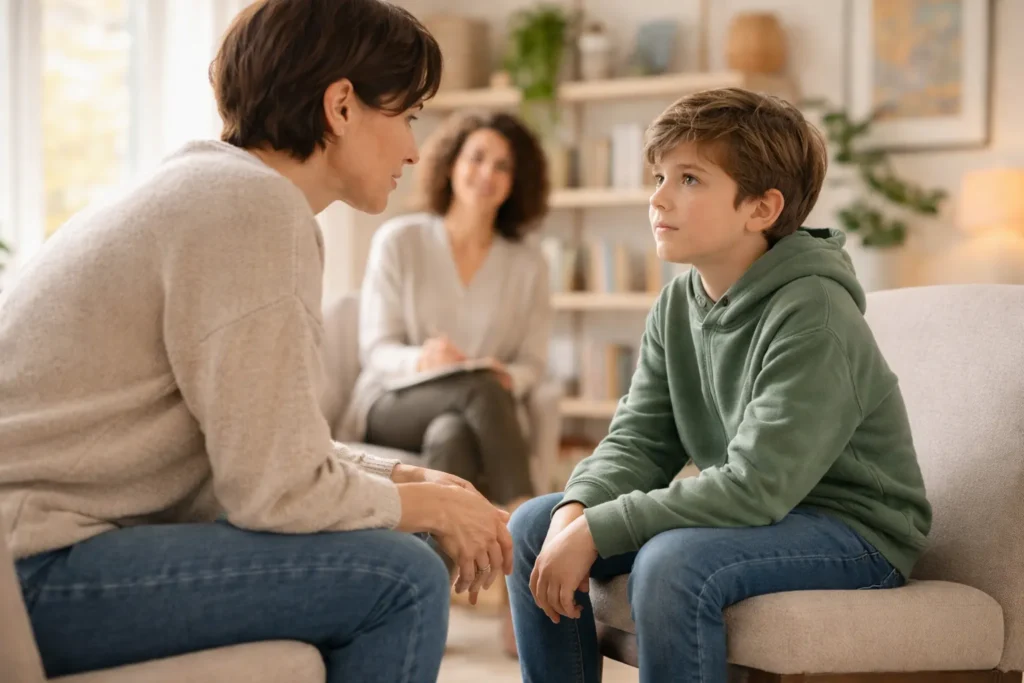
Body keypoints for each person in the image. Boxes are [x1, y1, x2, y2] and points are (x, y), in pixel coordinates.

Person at [0, 2, 513, 681]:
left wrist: (405, 478)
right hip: (31, 565)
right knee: (402, 576)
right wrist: (434, 505)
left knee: (402, 541)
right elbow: (275, 492)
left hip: (38, 552)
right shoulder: (251, 209)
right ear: (341, 106)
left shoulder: (212, 190)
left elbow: (258, 445)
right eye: (409, 115)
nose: (417, 149)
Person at [506, 88, 933, 683]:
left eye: (689, 180)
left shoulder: (816, 313)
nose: (657, 197)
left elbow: (757, 486)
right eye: (659, 175)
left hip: (852, 531)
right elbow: (639, 443)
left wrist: (601, 528)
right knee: (532, 525)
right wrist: (576, 509)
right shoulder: (676, 304)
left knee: (672, 564)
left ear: (760, 208)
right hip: (760, 514)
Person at [341, 110, 552, 514]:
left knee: (451, 433)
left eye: (503, 165)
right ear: (452, 162)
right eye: (476, 157)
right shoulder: (399, 241)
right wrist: (423, 359)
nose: (487, 172)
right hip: (392, 402)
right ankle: (524, 525)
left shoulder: (529, 263)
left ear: (516, 181)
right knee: (482, 387)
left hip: (480, 413)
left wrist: (509, 376)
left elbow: (533, 362)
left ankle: (439, 572)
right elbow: (376, 349)